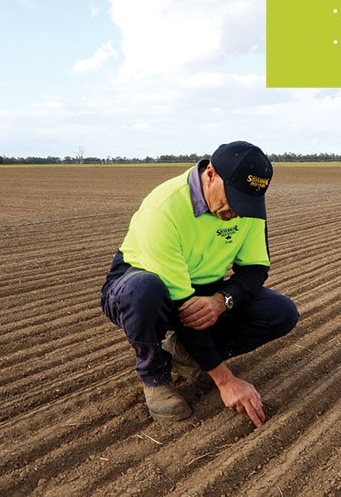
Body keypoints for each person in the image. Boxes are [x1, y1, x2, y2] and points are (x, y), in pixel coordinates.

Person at [100, 141, 298, 428]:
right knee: (145, 291)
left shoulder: (247, 209)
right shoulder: (163, 209)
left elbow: (255, 269)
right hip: (142, 288)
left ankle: (184, 352)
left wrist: (221, 300)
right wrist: (225, 380)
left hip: (205, 289)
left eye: (246, 204)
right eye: (233, 199)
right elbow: (184, 307)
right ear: (210, 174)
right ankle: (154, 374)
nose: (237, 212)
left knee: (281, 312)